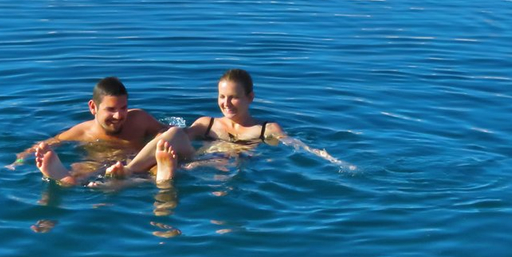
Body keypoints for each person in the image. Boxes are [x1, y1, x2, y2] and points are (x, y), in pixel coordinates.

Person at [108, 68, 349, 182]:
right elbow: (176, 134)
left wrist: (331, 159)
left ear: (250, 98)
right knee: (173, 134)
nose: (226, 103)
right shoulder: (207, 123)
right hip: (198, 160)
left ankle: (147, 176)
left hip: (227, 167)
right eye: (222, 97)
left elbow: (298, 146)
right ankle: (132, 170)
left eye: (233, 97)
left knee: (219, 165)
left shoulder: (266, 130)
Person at [17, 76, 193, 185]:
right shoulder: (81, 132)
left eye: (123, 108)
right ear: (93, 107)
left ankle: (136, 174)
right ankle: (68, 179)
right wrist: (18, 161)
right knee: (85, 170)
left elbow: (164, 131)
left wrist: (158, 137)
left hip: (137, 162)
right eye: (111, 110)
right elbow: (49, 143)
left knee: (167, 144)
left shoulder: (139, 118)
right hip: (103, 165)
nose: (119, 116)